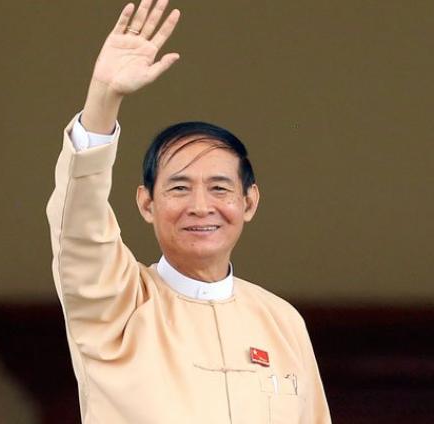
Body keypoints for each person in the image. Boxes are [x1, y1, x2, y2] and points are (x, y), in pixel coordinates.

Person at [46, 1, 331, 422]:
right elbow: (78, 225)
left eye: (219, 188)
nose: (201, 207)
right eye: (179, 188)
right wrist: (103, 99)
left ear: (249, 202)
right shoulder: (116, 303)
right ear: (146, 203)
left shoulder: (282, 322)